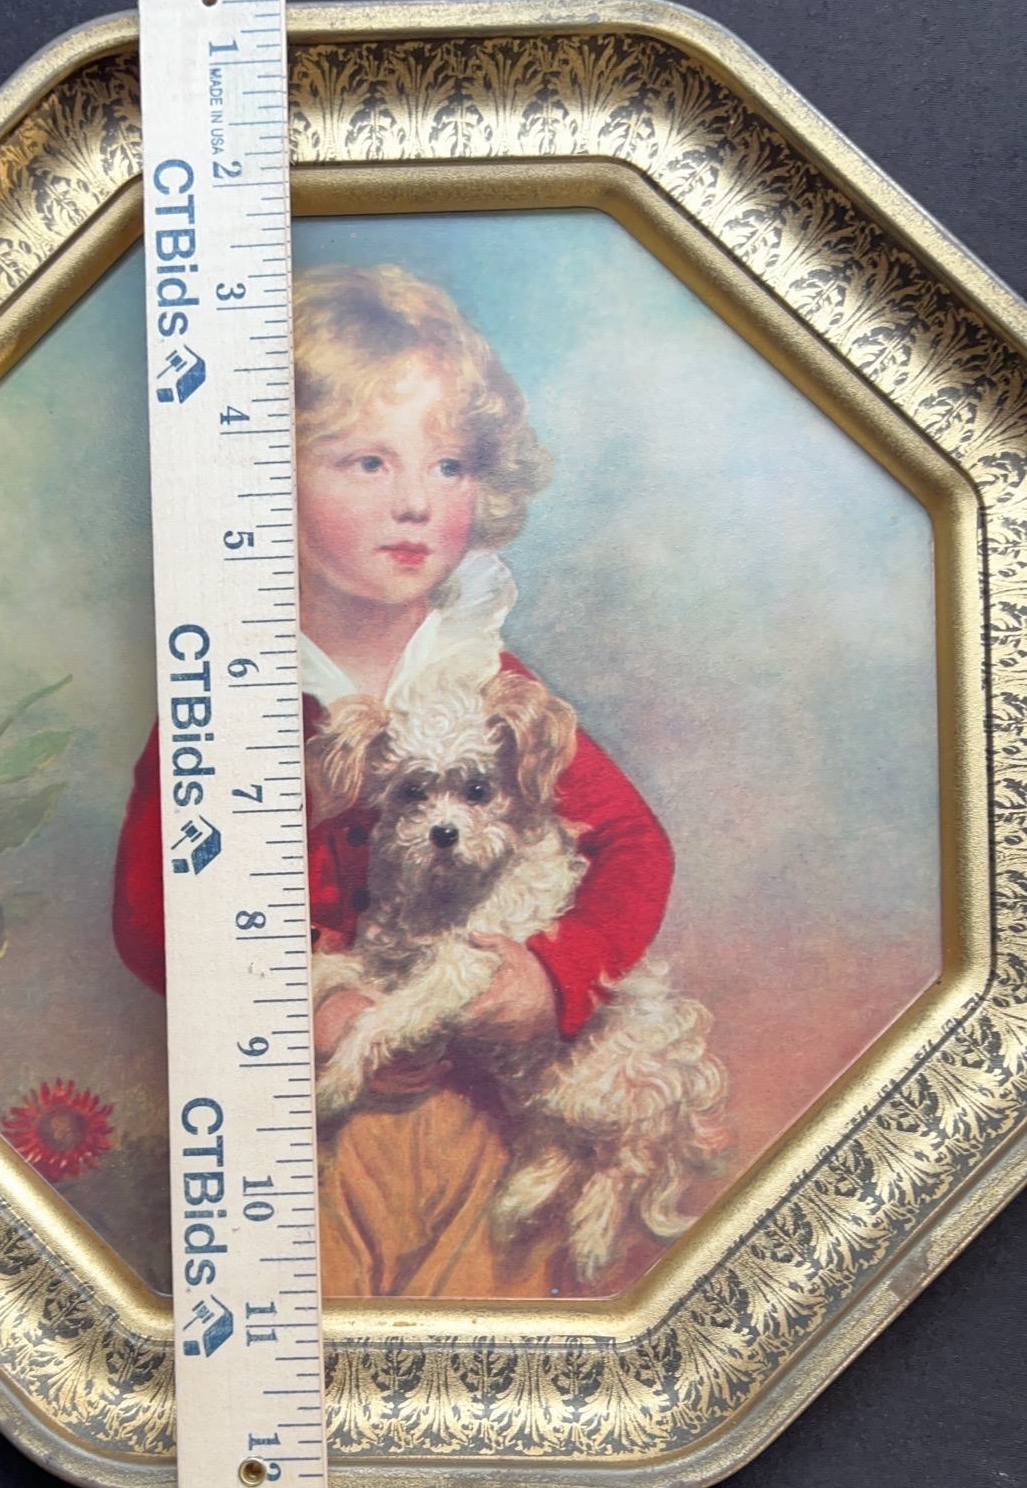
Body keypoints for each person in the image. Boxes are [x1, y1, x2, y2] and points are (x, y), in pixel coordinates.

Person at [113, 263, 674, 1297]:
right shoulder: (225, 690)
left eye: (449, 465)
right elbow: (152, 920)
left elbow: (633, 847)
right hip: (292, 1119)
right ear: (264, 480)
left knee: (485, 1319)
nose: (416, 501)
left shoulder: (488, 680)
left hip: (482, 1115)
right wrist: (300, 1014)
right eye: (367, 461)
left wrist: (554, 977)